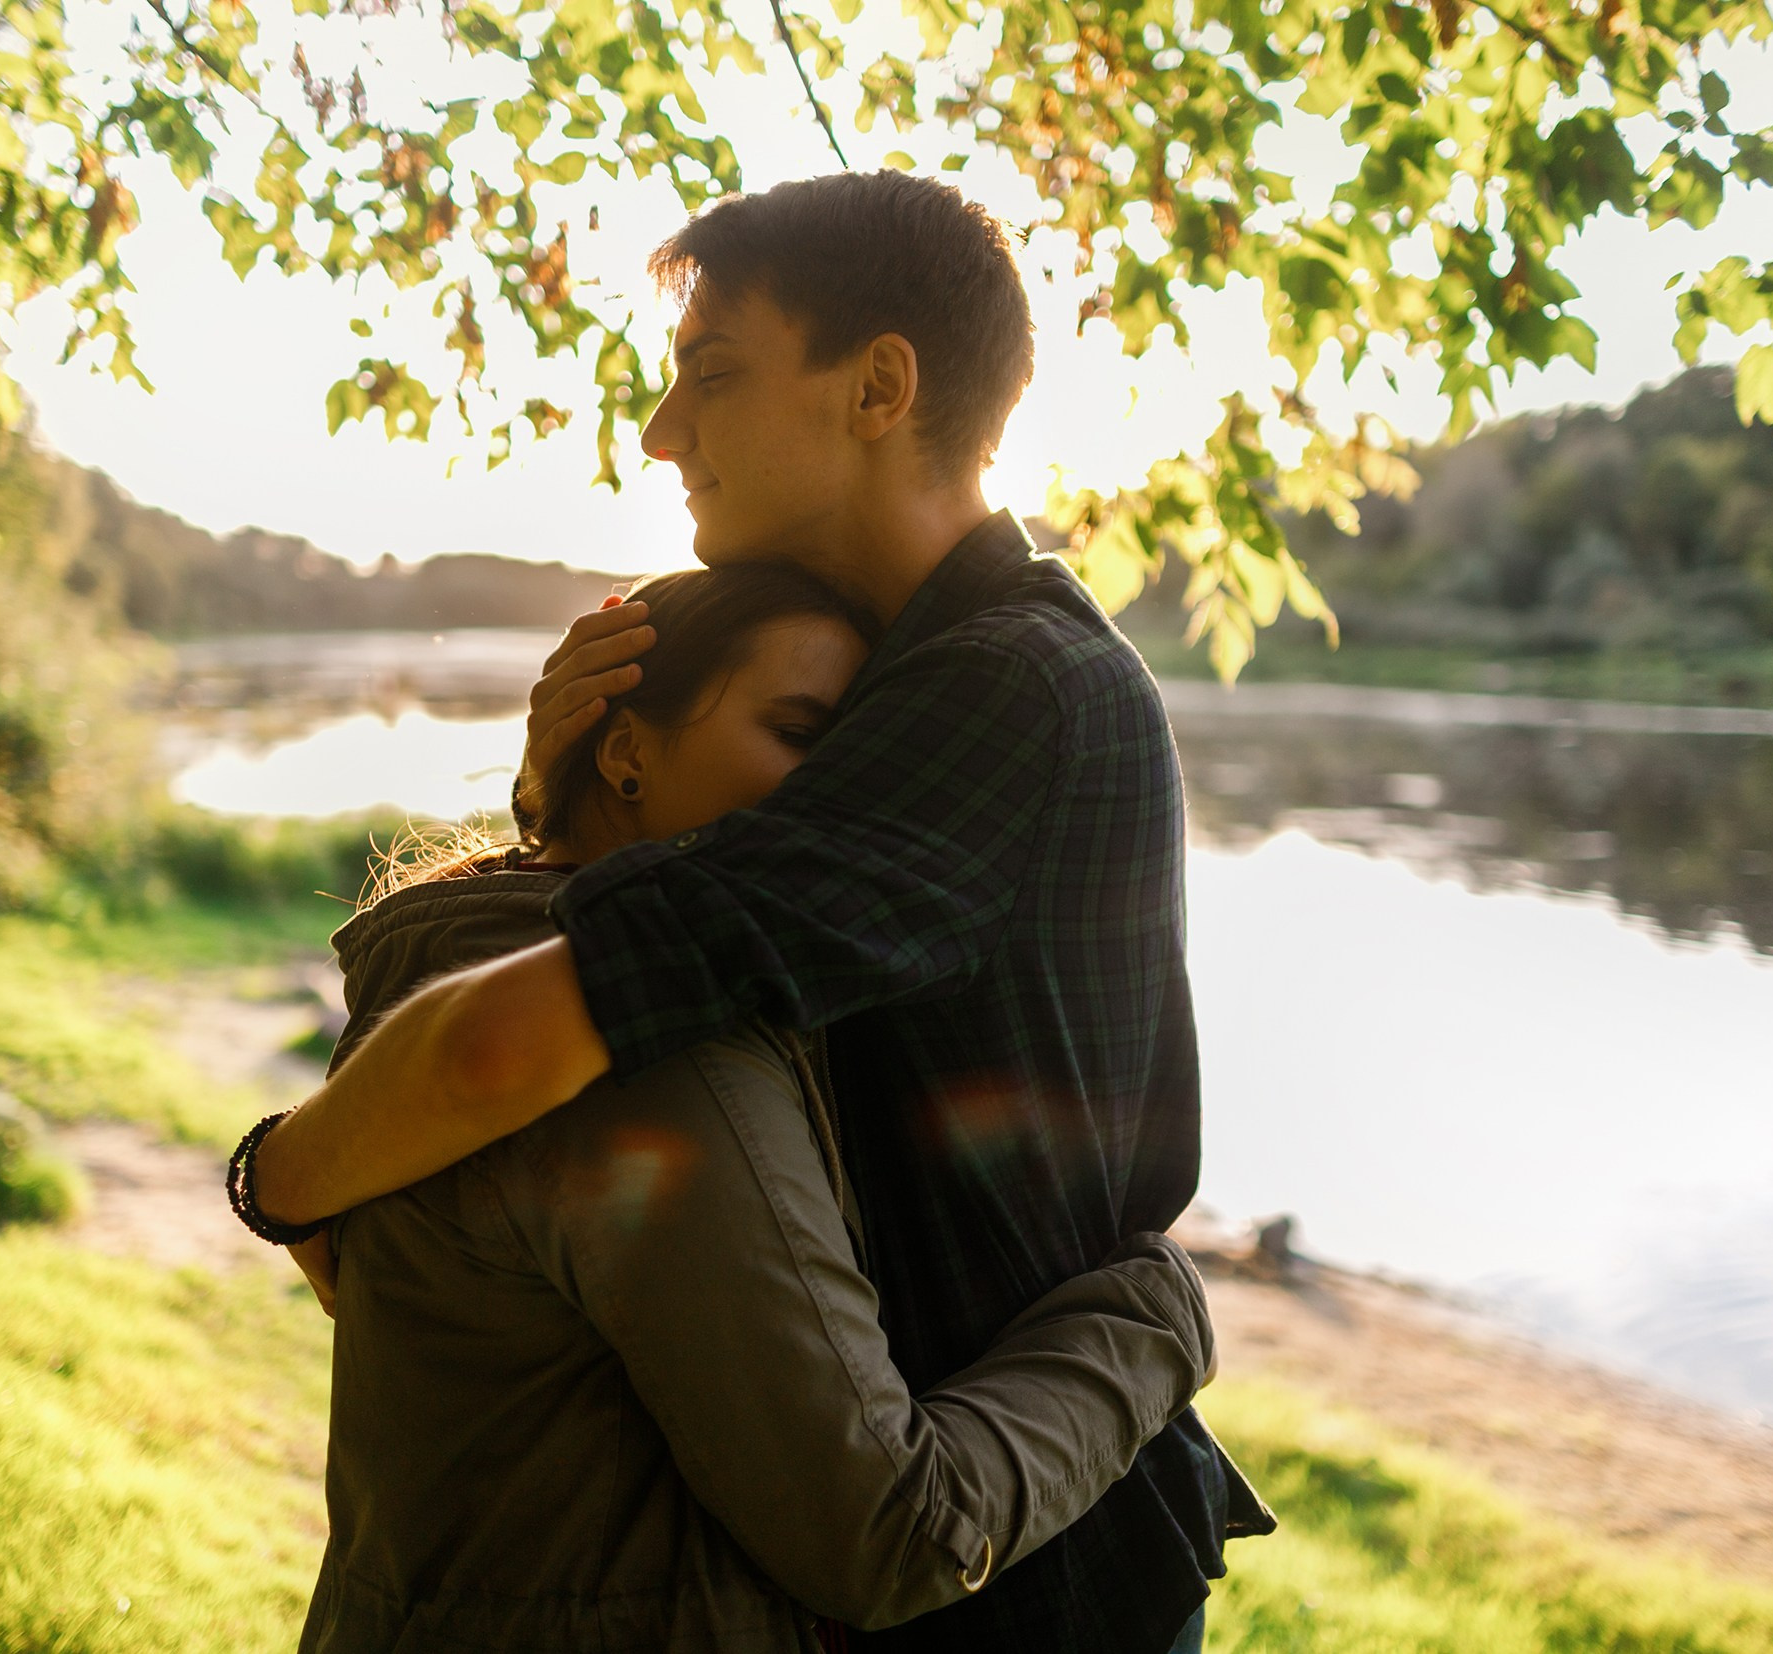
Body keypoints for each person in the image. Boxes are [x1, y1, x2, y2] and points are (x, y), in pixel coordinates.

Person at [244, 170, 1274, 1653]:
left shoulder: (1010, 685)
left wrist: (282, 1177)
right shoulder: (902, 672)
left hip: (1027, 1578)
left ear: (879, 388)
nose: (662, 431)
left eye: (712, 375)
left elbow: (570, 1003)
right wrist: (575, 795)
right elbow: (706, 930)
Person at [265, 561, 1218, 1652]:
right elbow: (886, 1531)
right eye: (801, 734)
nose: (851, 791)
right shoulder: (643, 1052)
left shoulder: (449, 954)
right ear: (625, 752)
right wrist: (1157, 1317)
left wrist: (555, 795)